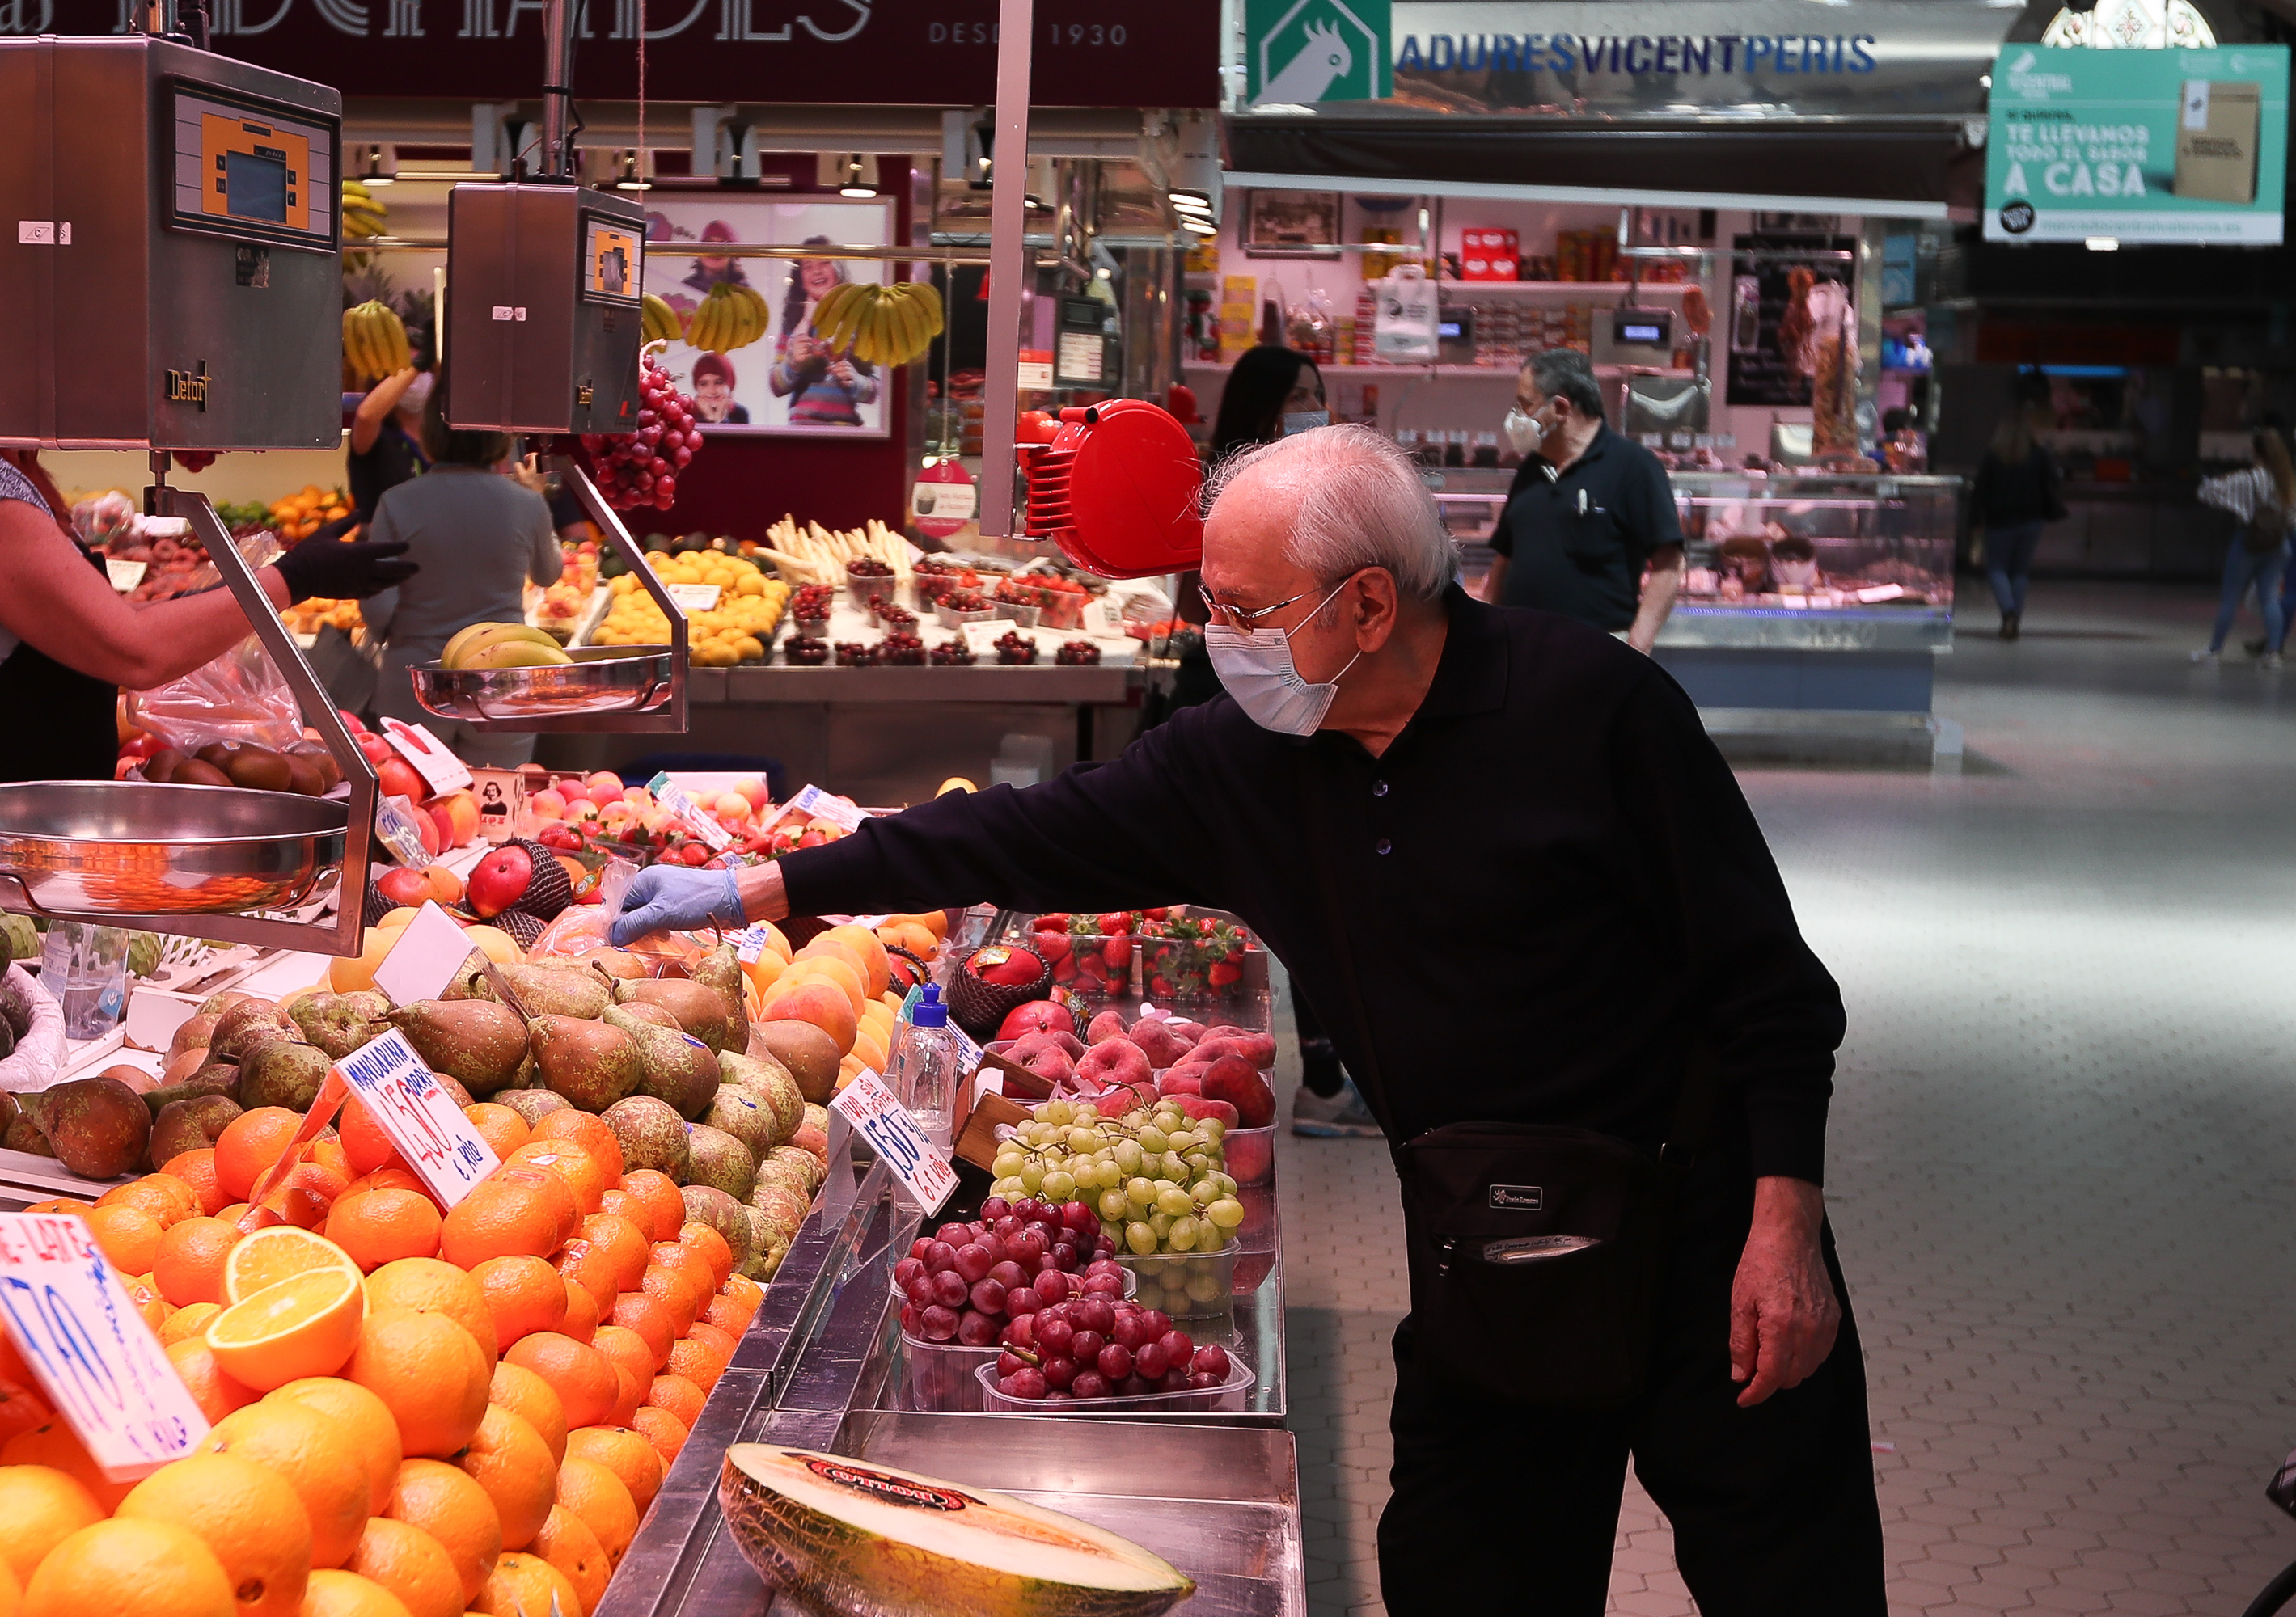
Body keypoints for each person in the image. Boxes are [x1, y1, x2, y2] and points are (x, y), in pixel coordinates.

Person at [607, 424, 1878, 1613]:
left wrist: (1786, 1233)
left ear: (1369, 605)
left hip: (1704, 1229)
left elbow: (1768, 989)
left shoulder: (1596, 712)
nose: (1220, 639)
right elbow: (1019, 831)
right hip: (1481, 1241)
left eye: (1249, 611)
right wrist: (767, 883)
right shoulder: (1250, 763)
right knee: (1463, 1574)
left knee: (1788, 1577)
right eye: (1209, 602)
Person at [0, 242, 412, 910]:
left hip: (14, 847)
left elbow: (99, 631)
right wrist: (288, 580)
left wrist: (263, 575)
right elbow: (131, 650)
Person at [1151, 345, 1368, 1138]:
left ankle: (1316, 1069)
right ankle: (1301, 1071)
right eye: (1299, 396)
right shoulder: (1233, 494)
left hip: (1295, 702)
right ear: (1262, 407)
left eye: (1318, 393)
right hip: (1247, 706)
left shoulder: (1316, 488)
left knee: (1305, 885)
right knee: (1292, 886)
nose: (1313, 407)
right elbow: (1212, 600)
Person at [359, 399, 561, 766]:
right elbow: (549, 574)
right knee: (497, 805)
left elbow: (376, 607)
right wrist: (538, 499)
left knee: (414, 802)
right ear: (501, 439)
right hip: (503, 674)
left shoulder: (395, 502)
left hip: (416, 676)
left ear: (429, 436)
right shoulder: (526, 503)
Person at [1480, 348, 1685, 653]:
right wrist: (1485, 626)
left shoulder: (1633, 467)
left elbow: (1670, 564)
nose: (1516, 416)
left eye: (1525, 405)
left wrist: (1638, 645)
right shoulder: (1531, 470)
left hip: (1596, 654)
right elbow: (1505, 560)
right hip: (1520, 651)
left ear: (1560, 408)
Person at [2192, 427, 2296, 669]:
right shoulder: (2286, 481)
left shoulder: (2245, 479)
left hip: (2249, 543)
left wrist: (2212, 482)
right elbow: (2292, 518)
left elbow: (2207, 493)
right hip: (2278, 545)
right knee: (2270, 598)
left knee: (2230, 598)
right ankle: (2273, 653)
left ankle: (2214, 650)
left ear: (2254, 451)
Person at [1968, 398, 2064, 641]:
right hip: (2032, 520)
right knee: (2020, 571)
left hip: (1999, 520)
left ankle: (2008, 612)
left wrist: (1975, 519)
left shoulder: (1993, 456)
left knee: (1997, 568)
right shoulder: (2039, 455)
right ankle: (2014, 620)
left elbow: (1980, 490)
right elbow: (2054, 480)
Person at [769, 242, 880, 428]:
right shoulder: (793, 326)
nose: (817, 271)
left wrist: (855, 380)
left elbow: (874, 392)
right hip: (800, 434)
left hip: (847, 434)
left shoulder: (857, 324)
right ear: (801, 280)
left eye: (825, 263)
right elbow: (776, 386)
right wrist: (794, 362)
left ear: (838, 271)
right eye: (808, 267)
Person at [342, 366, 432, 530]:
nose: (414, 381)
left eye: (425, 372)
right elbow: (366, 417)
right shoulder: (379, 435)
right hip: (380, 547)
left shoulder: (441, 439)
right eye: (403, 370)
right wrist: (417, 366)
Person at [691, 352, 751, 425]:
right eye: (703, 384)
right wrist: (709, 417)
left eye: (719, 382)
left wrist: (721, 418)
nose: (712, 391)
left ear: (730, 384)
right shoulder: (688, 414)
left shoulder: (740, 414)